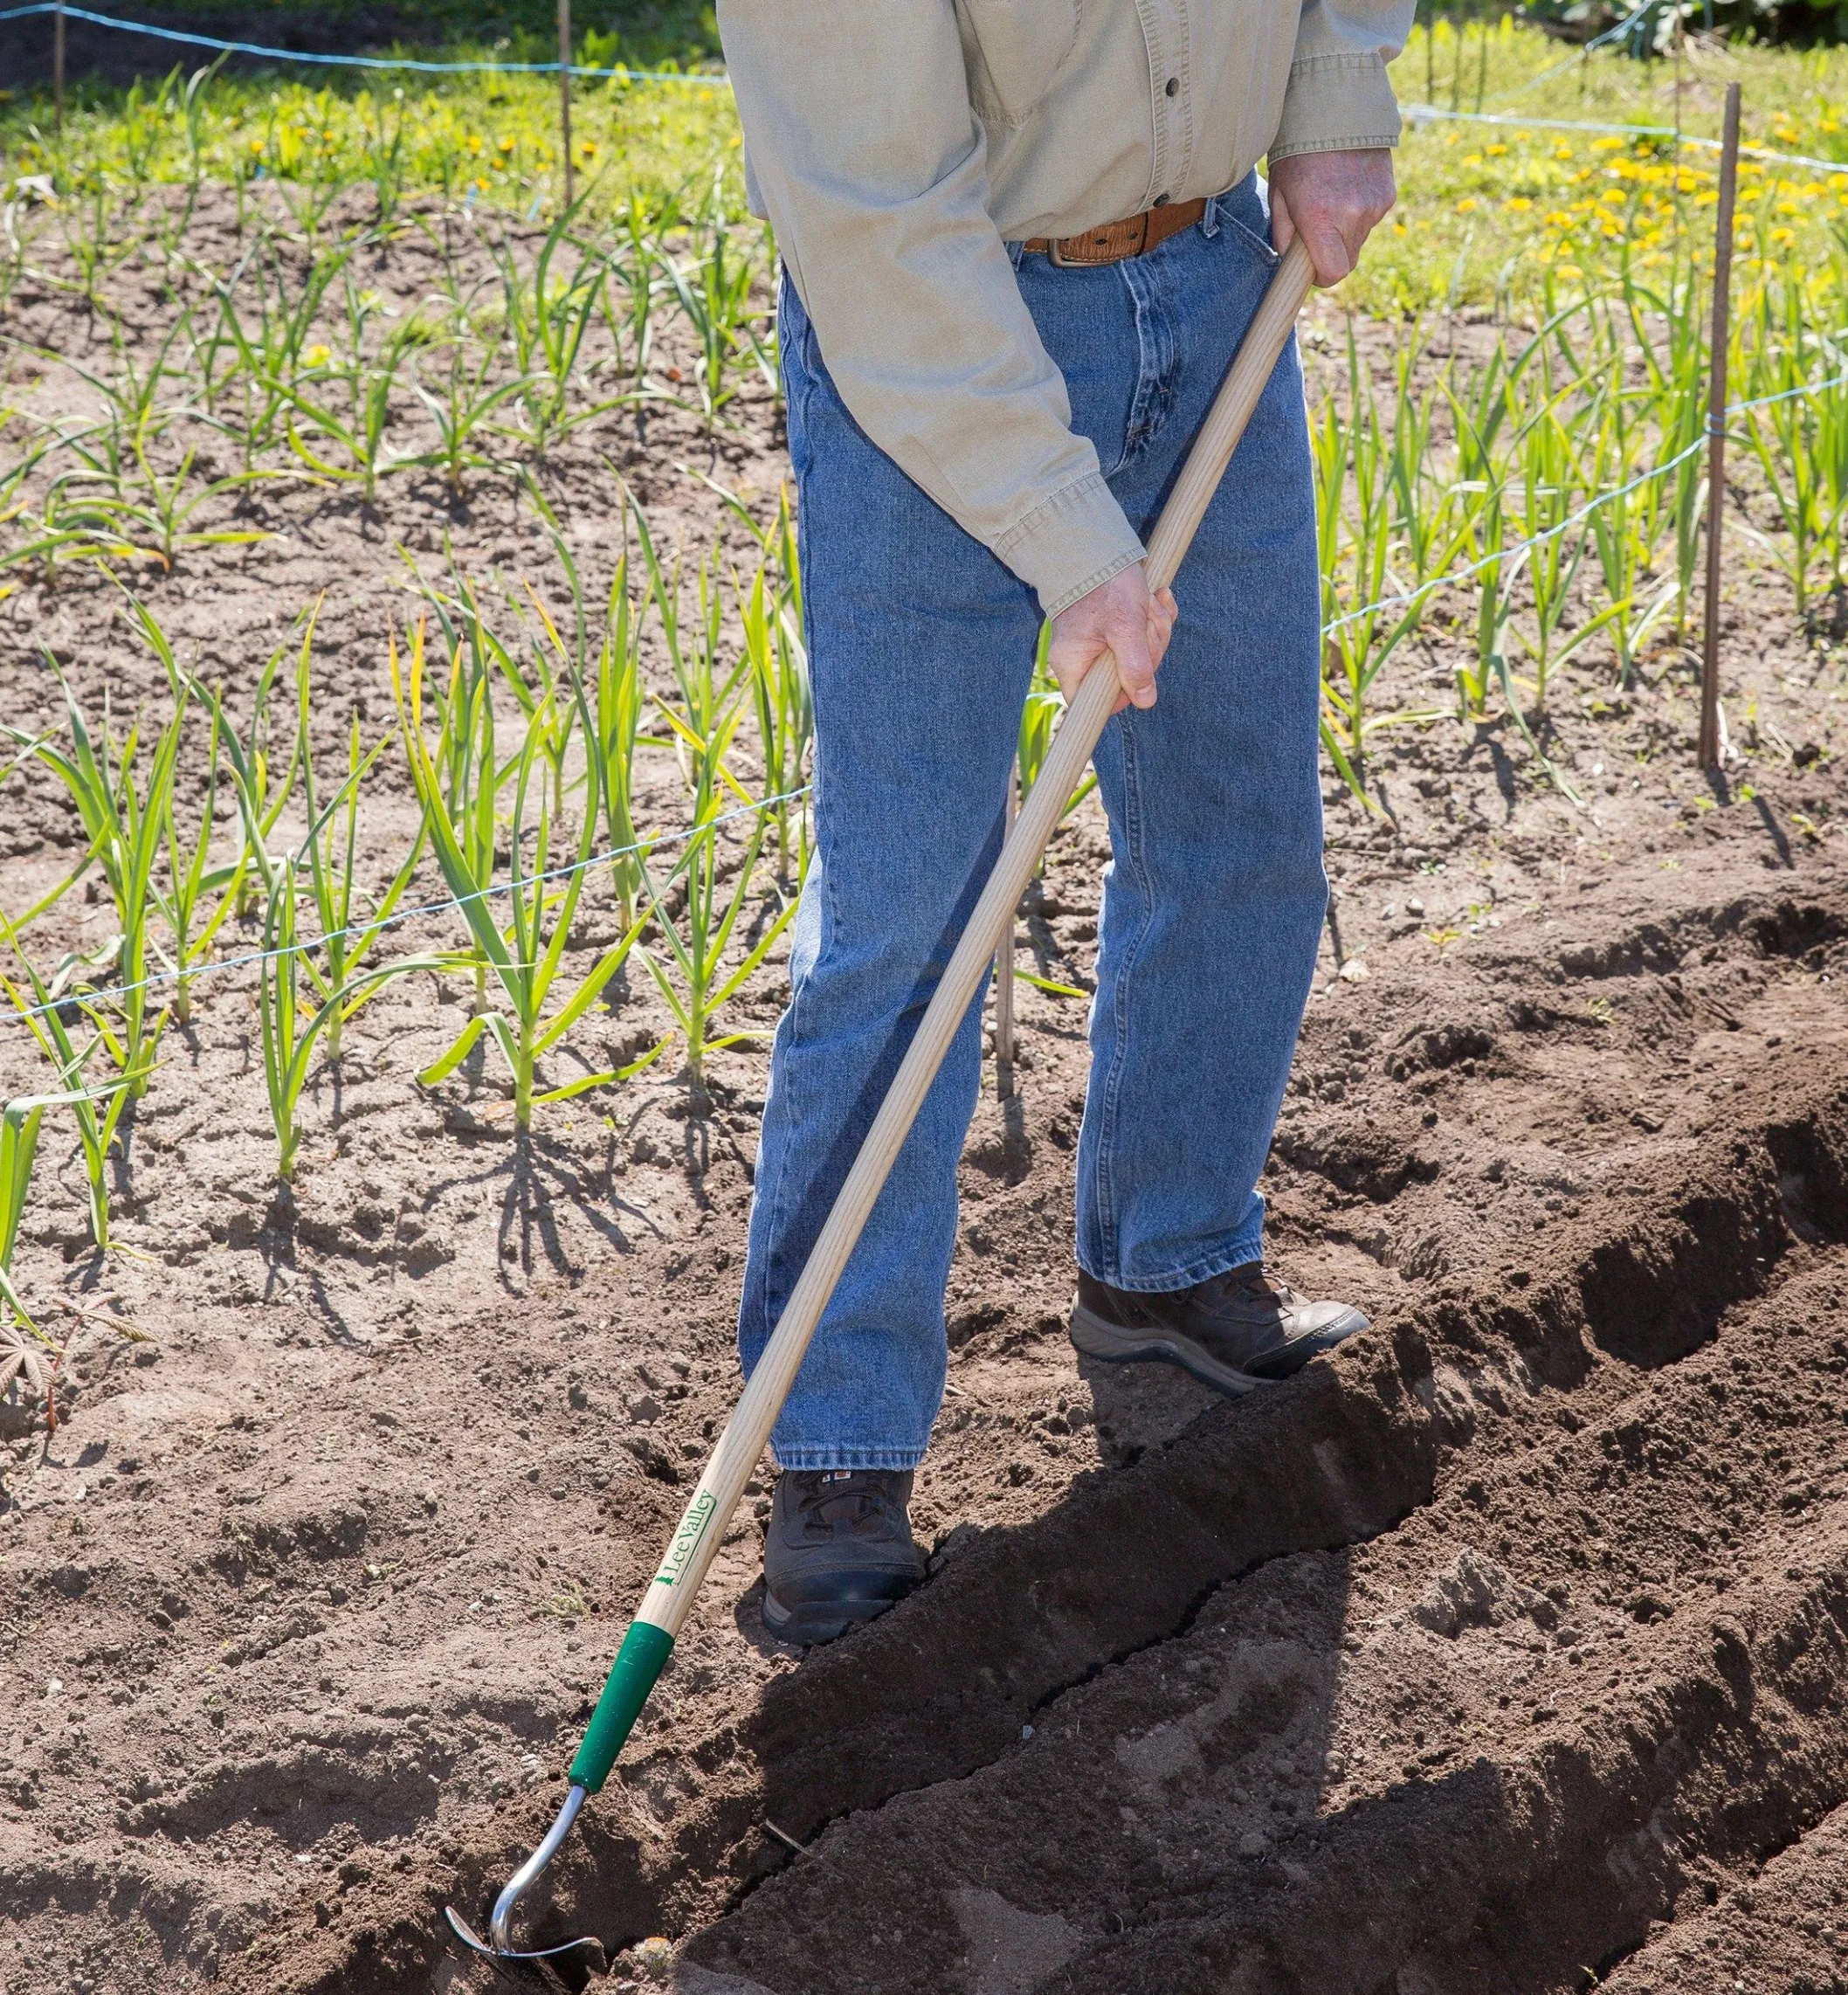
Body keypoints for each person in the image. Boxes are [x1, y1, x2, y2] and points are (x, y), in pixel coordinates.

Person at [715, 1, 1412, 1645]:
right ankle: (839, 1454)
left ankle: (1170, 1266)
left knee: (1243, 837)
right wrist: (1063, 528)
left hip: (1215, 275)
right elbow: (871, 212)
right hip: (939, 330)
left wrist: (1329, 93)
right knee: (910, 916)